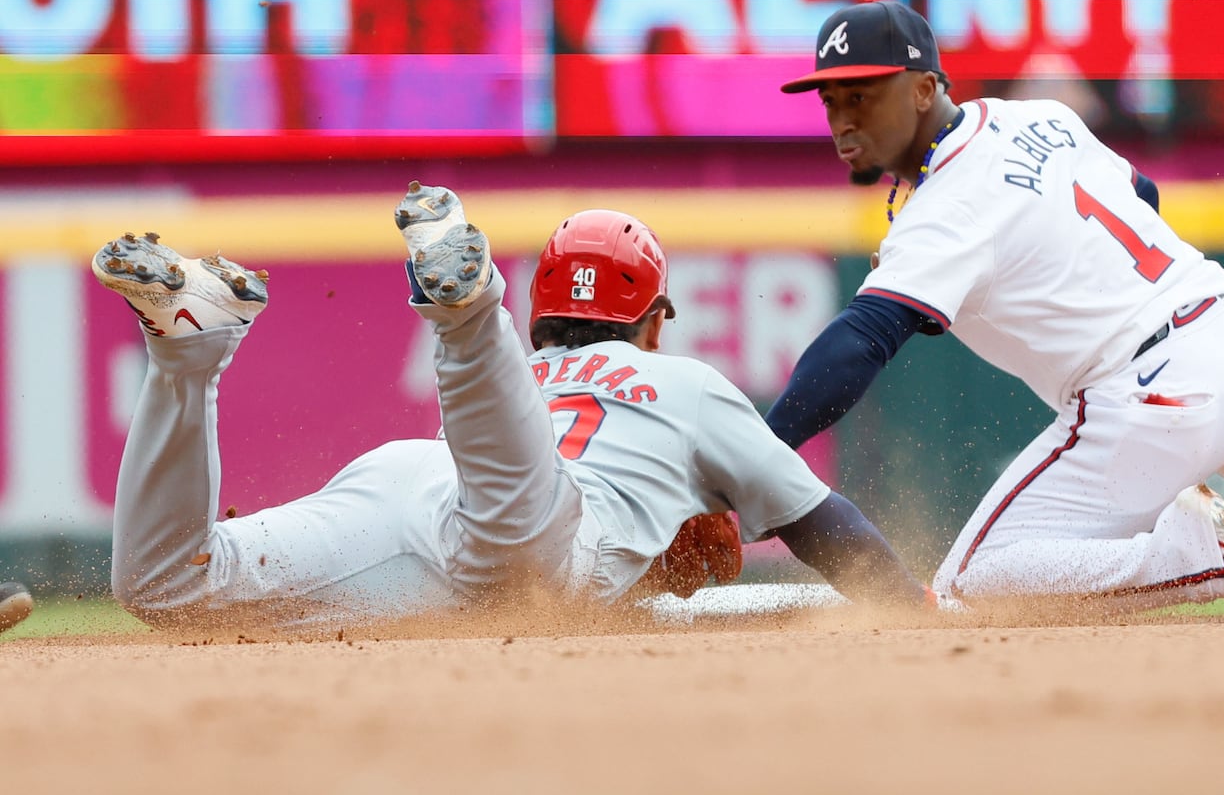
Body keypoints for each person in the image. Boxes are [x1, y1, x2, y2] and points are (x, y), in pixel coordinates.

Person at [767, 0, 1224, 621]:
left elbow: (858, 344)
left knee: (972, 584)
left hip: (1156, 391)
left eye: (862, 94)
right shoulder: (1039, 116)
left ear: (924, 88)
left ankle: (1202, 559)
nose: (842, 119)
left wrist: (760, 454)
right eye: (831, 100)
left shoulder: (944, 211)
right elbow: (1140, 195)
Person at [92, 183, 929, 628]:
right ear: (656, 318)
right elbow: (828, 526)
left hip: (412, 485)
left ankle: (187, 351)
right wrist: (913, 614)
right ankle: (462, 311)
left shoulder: (535, 371)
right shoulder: (689, 385)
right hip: (535, 526)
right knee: (518, 543)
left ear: (542, 317)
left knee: (170, 590)